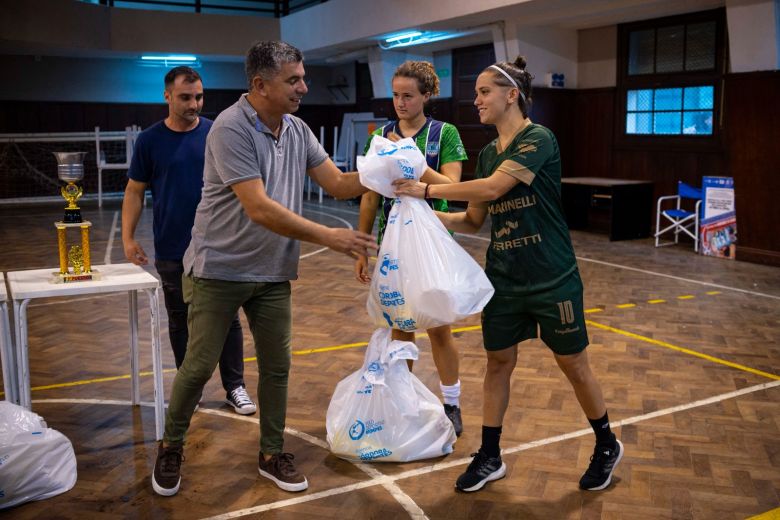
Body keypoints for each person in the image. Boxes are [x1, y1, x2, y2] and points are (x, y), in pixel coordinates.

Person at [150, 41, 377, 497]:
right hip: (219, 270)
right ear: (259, 85)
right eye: (293, 80)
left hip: (273, 273)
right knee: (197, 367)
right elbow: (259, 208)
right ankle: (171, 446)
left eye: (302, 77)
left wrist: (388, 167)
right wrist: (330, 237)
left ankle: (272, 453)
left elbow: (337, 183)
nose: (303, 87)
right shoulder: (230, 129)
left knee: (277, 367)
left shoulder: (297, 129)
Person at [395, 56, 623, 493]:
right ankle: (490, 454)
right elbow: (474, 219)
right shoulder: (486, 153)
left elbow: (495, 188)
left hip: (552, 276)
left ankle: (606, 443)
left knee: (573, 365)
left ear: (511, 95)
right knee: (498, 364)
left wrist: (426, 188)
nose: (476, 100)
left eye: (484, 92)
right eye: (476, 92)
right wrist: (420, 213)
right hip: (503, 280)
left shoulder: (538, 139)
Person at [122, 66, 257, 416]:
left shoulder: (218, 134)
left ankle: (235, 387)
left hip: (219, 246)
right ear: (167, 96)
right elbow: (134, 191)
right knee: (180, 319)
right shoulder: (150, 141)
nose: (194, 103)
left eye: (198, 96)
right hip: (171, 247)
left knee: (228, 317)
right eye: (185, 97)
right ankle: (190, 388)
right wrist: (127, 237)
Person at [354, 60, 468, 436]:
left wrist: (414, 164)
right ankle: (403, 401)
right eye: (396, 95)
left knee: (438, 327)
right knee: (401, 328)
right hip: (393, 245)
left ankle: (451, 404)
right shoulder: (382, 135)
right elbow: (369, 197)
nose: (400, 103)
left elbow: (452, 188)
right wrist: (362, 247)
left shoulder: (444, 133)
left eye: (408, 96)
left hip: (433, 244)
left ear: (426, 96)